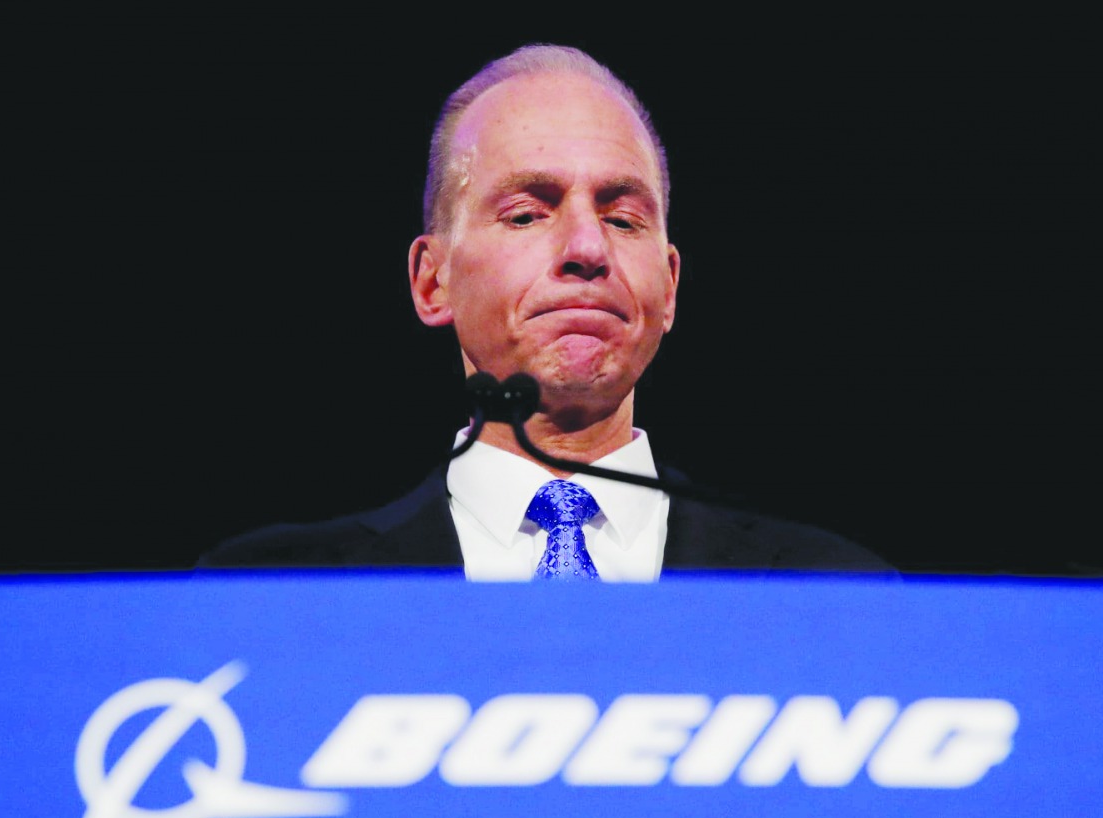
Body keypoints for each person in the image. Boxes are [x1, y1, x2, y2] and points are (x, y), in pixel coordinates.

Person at [199, 43, 891, 580]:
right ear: (432, 281)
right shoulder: (271, 592)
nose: (588, 248)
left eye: (623, 219)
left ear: (670, 283)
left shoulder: (838, 593)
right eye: (528, 213)